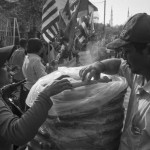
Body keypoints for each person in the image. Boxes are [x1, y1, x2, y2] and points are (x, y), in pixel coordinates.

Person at [80, 13, 150, 150]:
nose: (123, 56)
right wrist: (98, 66)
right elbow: (118, 64)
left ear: (148, 50)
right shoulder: (140, 74)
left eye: (127, 51)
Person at [0, 45, 72, 150]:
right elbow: (17, 133)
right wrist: (45, 95)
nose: (9, 68)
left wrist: (5, 91)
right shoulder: (37, 60)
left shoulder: (28, 57)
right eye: (4, 65)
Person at [9, 39, 28, 111]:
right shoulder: (24, 53)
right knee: (21, 94)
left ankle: (15, 105)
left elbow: (11, 62)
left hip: (15, 74)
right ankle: (20, 108)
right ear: (26, 44)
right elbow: (25, 64)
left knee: (15, 91)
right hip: (22, 76)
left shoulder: (15, 52)